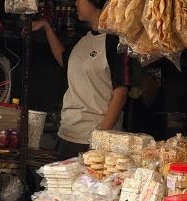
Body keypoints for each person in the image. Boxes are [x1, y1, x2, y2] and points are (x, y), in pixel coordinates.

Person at [34, 0, 130, 158]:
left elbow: (120, 93)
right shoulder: (82, 39)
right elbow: (65, 61)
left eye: (80, 0)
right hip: (67, 133)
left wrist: (99, 139)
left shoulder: (115, 42)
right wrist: (46, 27)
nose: (76, 3)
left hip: (93, 139)